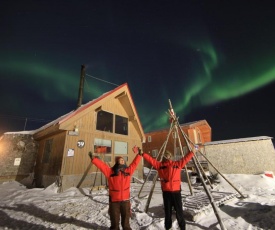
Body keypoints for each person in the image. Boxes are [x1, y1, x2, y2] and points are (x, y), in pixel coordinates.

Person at [133, 147, 195, 230]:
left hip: (176, 192)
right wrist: (142, 153)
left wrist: (195, 149)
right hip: (167, 193)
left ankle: (182, 227)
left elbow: (187, 157)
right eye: (166, 155)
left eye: (168, 155)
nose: (167, 157)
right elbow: (151, 160)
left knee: (179, 212)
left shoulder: (177, 164)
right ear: (164, 157)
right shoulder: (160, 165)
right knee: (168, 212)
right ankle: (168, 227)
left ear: (170, 156)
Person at [88, 146, 142, 230]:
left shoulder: (128, 171)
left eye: (123, 160)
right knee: (114, 223)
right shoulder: (110, 172)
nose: (122, 160)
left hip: (125, 201)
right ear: (117, 162)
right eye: (121, 160)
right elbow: (102, 166)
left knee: (126, 224)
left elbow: (134, 164)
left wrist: (139, 155)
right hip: (114, 202)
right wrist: (94, 159)